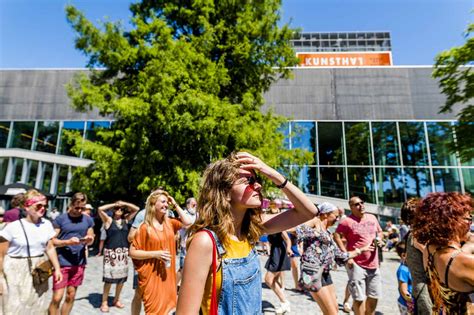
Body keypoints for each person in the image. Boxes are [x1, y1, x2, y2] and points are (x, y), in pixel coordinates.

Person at [176, 152, 319, 315]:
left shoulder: (252, 228)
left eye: (258, 180)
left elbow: (309, 212)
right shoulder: (205, 241)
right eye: (249, 181)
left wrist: (271, 173)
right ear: (225, 191)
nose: (258, 185)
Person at [297, 202, 374, 315]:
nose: (337, 219)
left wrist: (362, 250)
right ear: (325, 214)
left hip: (325, 272)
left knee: (335, 310)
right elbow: (298, 230)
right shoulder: (314, 226)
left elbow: (339, 255)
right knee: (331, 313)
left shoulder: (328, 233)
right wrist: (314, 221)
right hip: (312, 271)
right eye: (335, 215)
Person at [130, 190, 194, 314]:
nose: (166, 204)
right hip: (152, 276)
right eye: (163, 201)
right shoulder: (145, 227)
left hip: (168, 275)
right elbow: (132, 252)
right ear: (154, 204)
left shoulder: (170, 222)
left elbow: (188, 222)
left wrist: (174, 204)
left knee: (168, 309)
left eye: (167, 202)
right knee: (153, 309)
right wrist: (155, 254)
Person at [0, 189, 62, 314]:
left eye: (45, 206)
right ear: (27, 206)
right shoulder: (12, 227)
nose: (43, 209)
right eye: (38, 206)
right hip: (14, 271)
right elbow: (0, 255)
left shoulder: (47, 224)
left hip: (39, 270)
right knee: (14, 308)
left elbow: (49, 247)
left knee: (37, 307)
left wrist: (57, 268)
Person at [412, 192, 474, 314]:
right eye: (468, 218)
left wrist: (468, 245)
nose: (470, 224)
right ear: (453, 222)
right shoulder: (463, 261)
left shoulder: (430, 249)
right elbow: (459, 262)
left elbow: (454, 261)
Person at [333, 196, 383, 315]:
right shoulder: (347, 221)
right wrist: (347, 255)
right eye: (357, 204)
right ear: (351, 207)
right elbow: (336, 235)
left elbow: (380, 232)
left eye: (362, 202)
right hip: (356, 264)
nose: (361, 206)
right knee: (359, 298)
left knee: (374, 296)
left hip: (374, 264)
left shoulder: (372, 217)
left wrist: (379, 239)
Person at [49, 192, 95, 315]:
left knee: (71, 295)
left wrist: (89, 239)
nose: (79, 210)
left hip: (78, 263)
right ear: (71, 204)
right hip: (61, 262)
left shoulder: (88, 220)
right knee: (57, 297)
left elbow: (91, 235)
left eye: (82, 208)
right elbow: (52, 241)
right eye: (77, 207)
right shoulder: (61, 219)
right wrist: (67, 242)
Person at [97, 200, 139, 312]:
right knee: (109, 279)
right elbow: (100, 209)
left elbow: (136, 209)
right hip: (111, 254)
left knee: (121, 279)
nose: (119, 210)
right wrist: (114, 204)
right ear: (113, 210)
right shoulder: (108, 220)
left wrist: (124, 203)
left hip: (123, 253)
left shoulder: (126, 220)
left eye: (121, 209)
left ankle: (116, 299)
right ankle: (104, 302)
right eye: (117, 209)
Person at [401, 198, 433, 314]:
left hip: (423, 287)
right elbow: (431, 256)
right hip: (424, 288)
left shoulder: (414, 234)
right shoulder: (416, 235)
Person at [264, 231, 292, 313]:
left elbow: (288, 239)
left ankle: (285, 302)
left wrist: (288, 248)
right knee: (274, 280)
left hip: (280, 254)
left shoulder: (280, 226)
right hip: (275, 253)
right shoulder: (270, 226)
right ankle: (284, 302)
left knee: (268, 280)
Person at [177, 197, 198, 283]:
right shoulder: (183, 214)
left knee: (193, 267)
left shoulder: (197, 214)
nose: (195, 206)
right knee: (182, 268)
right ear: (188, 205)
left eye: (196, 205)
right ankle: (173, 286)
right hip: (185, 245)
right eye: (193, 204)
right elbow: (184, 225)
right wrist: (195, 226)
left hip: (195, 244)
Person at [395, 242, 414, 315]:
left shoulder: (410, 267)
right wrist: (411, 302)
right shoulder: (403, 270)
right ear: (403, 255)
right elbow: (403, 291)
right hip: (406, 304)